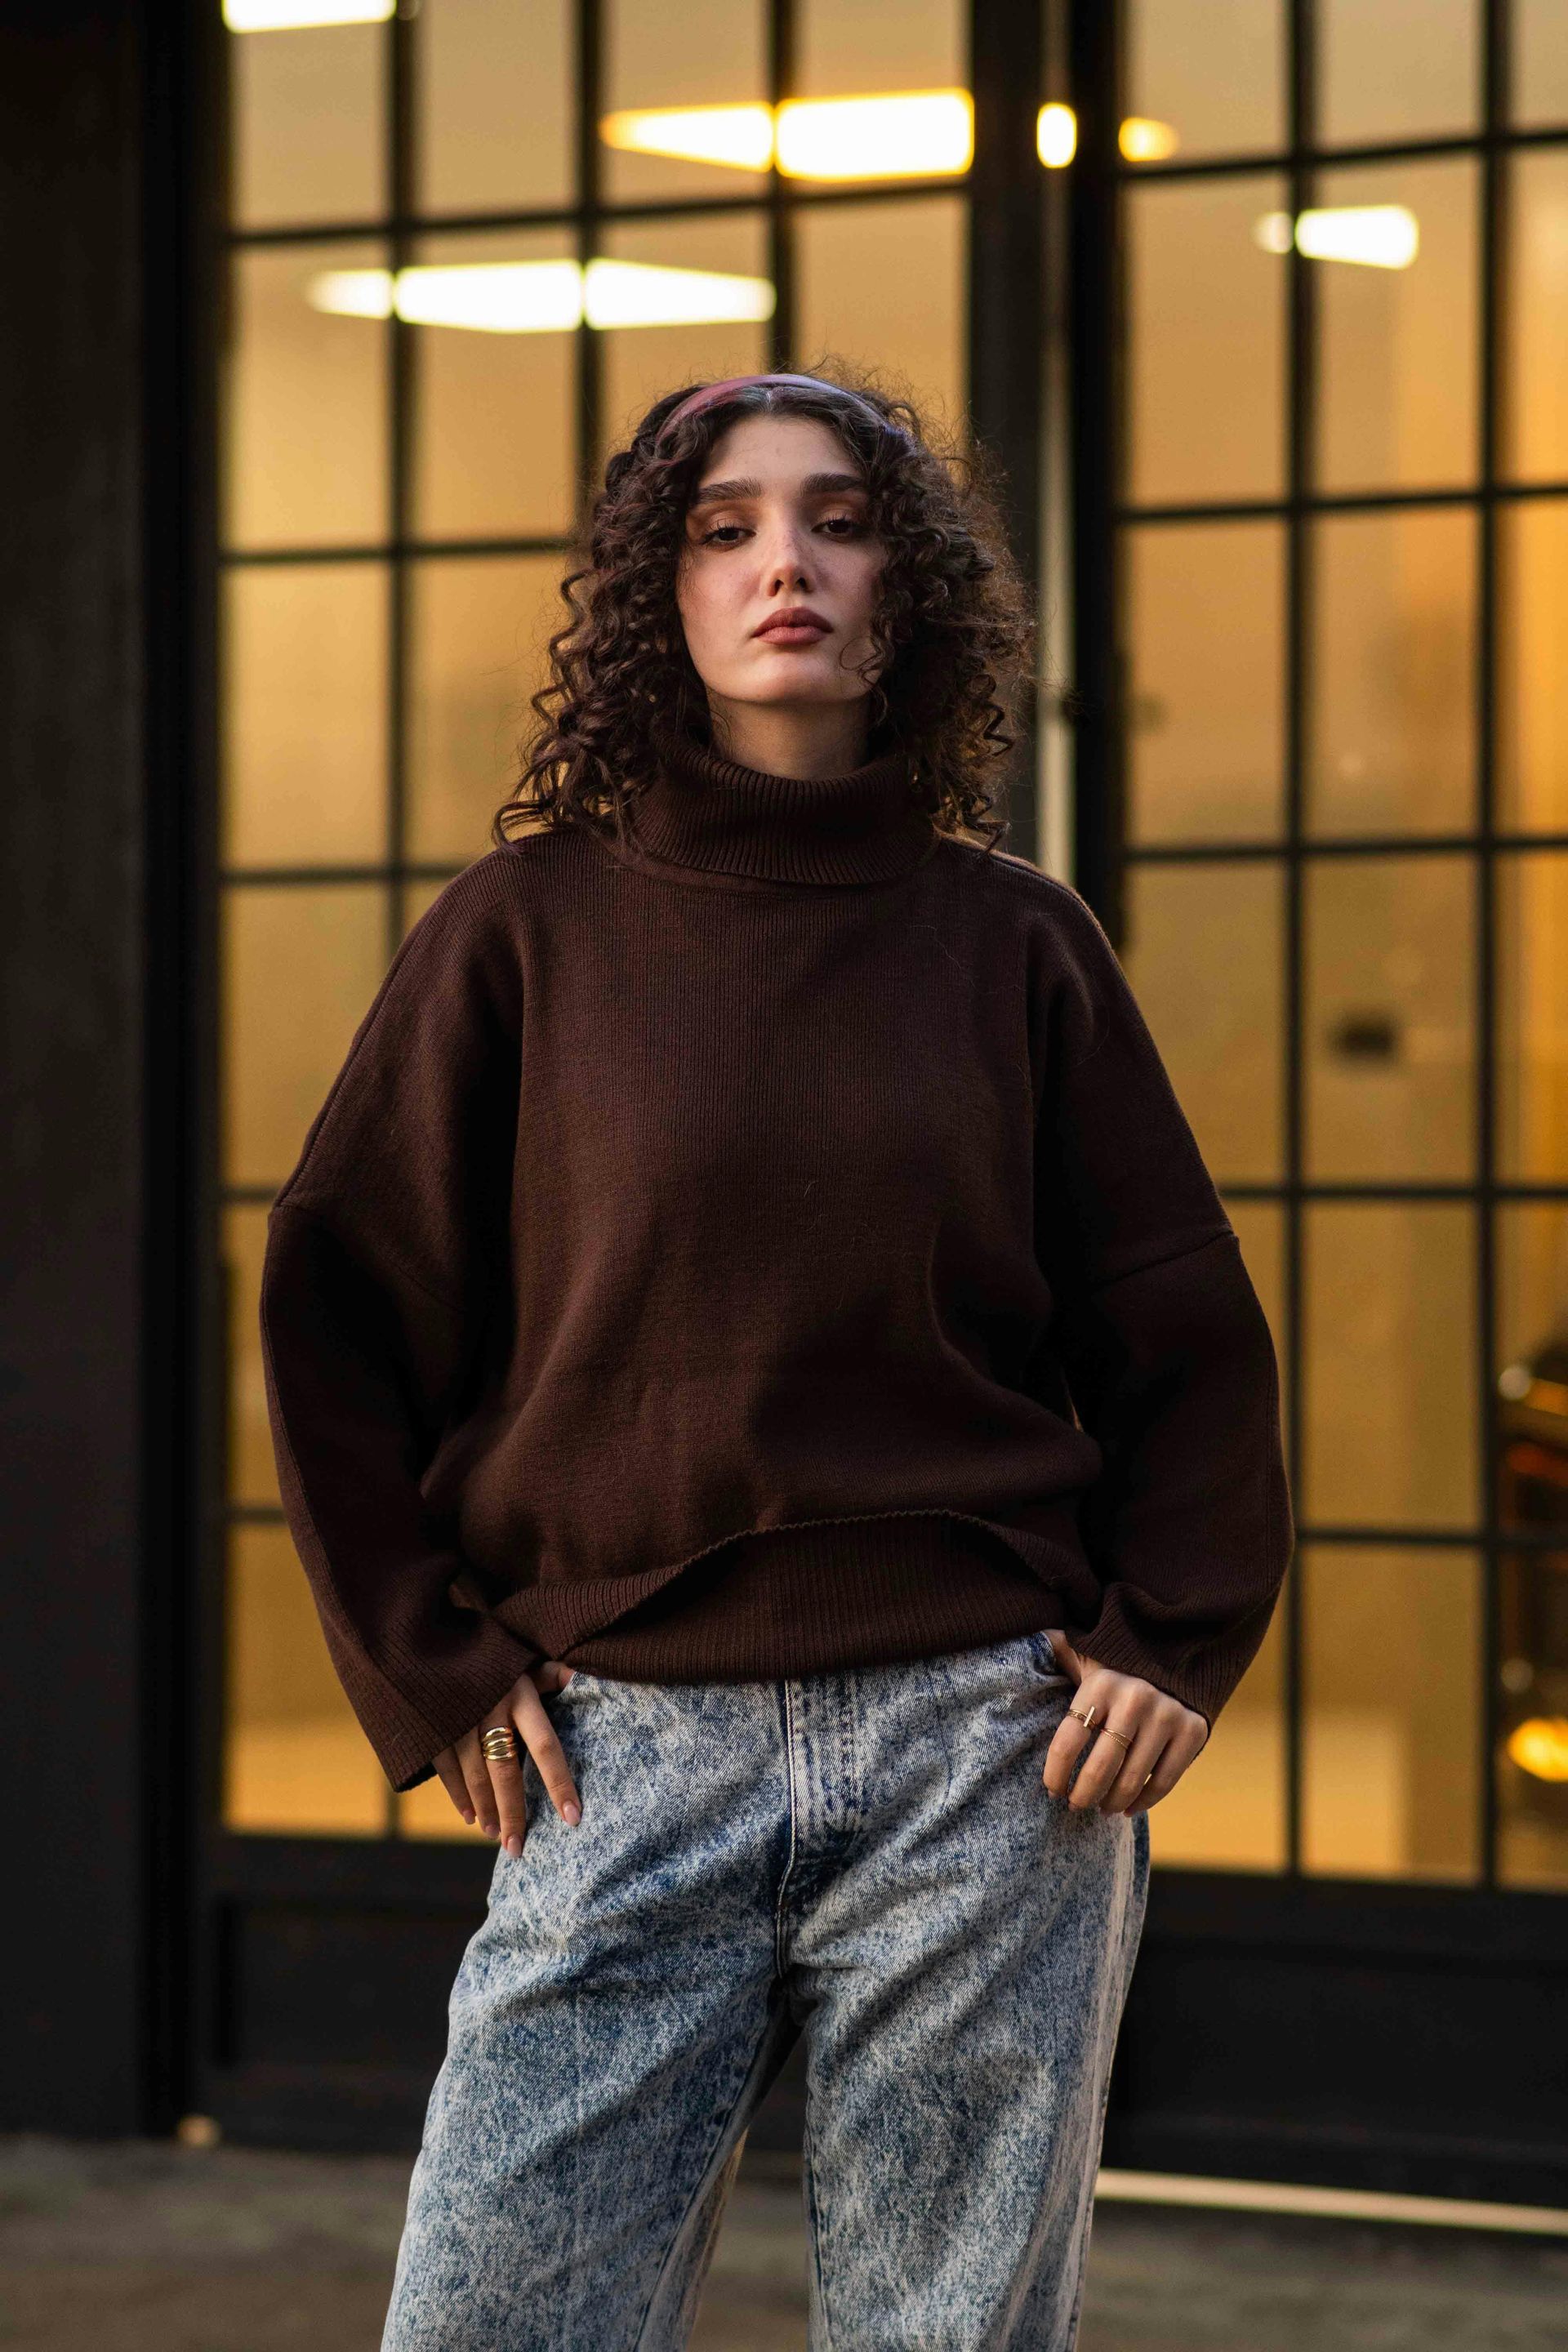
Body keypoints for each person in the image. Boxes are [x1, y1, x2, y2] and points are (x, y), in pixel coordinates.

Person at [260, 367, 1293, 2350]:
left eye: (838, 520)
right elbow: (340, 1304)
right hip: (616, 1749)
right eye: (724, 530)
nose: (785, 565)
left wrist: (1177, 1632)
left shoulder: (1015, 943)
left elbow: (1174, 1321)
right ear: (661, 597)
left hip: (987, 1767)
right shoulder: (523, 935)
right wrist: (426, 1656)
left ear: (908, 597)